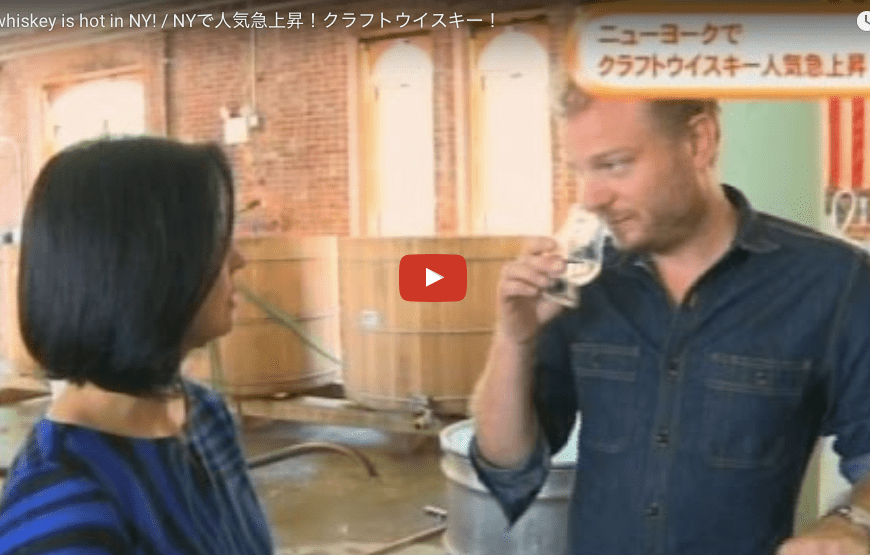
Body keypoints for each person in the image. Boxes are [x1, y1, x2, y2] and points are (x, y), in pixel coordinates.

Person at [470, 77, 870, 555]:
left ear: (699, 141)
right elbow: (508, 467)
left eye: (614, 164)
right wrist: (514, 339)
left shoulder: (833, 281)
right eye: (580, 170)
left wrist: (852, 521)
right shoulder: (583, 283)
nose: (590, 197)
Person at [0, 137, 274, 554]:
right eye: (216, 240)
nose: (238, 259)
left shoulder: (206, 414)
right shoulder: (62, 510)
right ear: (141, 266)